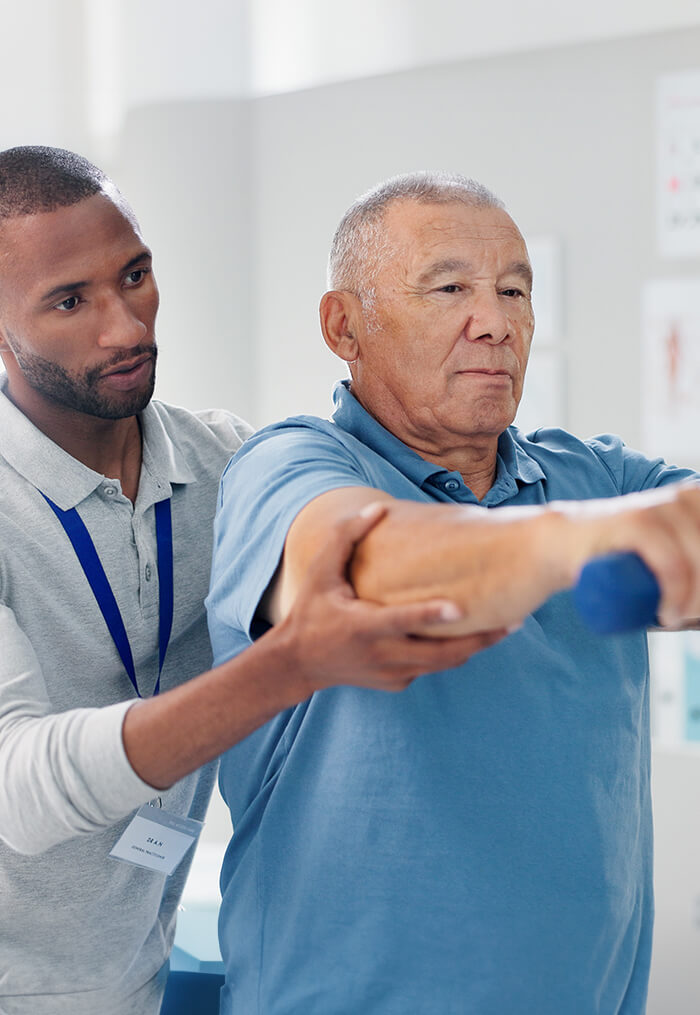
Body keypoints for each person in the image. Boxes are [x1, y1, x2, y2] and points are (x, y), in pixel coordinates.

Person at [0, 149, 501, 1015]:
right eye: (70, 301)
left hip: (135, 981)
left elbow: (365, 532)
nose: (126, 327)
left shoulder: (228, 459)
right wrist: (290, 665)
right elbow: (20, 790)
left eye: (136, 275)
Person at [207, 171, 700, 1014]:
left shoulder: (595, 476)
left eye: (515, 289)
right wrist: (586, 539)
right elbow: (366, 569)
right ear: (344, 326)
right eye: (450, 288)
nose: (497, 321)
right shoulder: (290, 465)